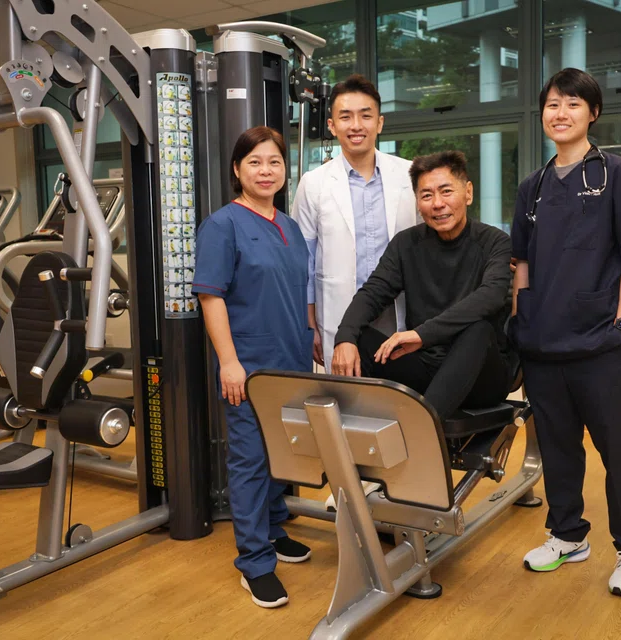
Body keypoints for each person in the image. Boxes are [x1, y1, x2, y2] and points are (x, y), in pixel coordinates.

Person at [509, 68, 621, 597]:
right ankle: (568, 534)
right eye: (552, 104)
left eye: (572, 104)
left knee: (620, 452)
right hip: (544, 346)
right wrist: (522, 323)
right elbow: (521, 264)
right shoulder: (532, 187)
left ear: (592, 113)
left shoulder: (618, 174)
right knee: (558, 450)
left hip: (602, 342)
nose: (560, 113)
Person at [193, 126, 313, 610]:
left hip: (292, 359)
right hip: (250, 365)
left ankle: (274, 529)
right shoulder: (222, 225)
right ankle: (255, 562)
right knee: (250, 460)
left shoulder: (289, 225)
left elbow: (295, 290)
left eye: (274, 162)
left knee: (283, 454)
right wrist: (228, 363)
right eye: (255, 163)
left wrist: (314, 335)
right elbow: (210, 295)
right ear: (237, 171)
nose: (266, 171)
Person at [332, 150, 513, 421]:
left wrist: (420, 335)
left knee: (478, 328)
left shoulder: (494, 241)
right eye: (427, 195)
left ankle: (421, 428)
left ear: (468, 192)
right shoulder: (406, 244)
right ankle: (355, 440)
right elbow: (373, 292)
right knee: (361, 338)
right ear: (418, 201)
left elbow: (491, 297)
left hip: (482, 376)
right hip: (426, 369)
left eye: (446, 191)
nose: (437, 203)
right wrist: (344, 338)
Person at [292, 74, 419, 371]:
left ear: (380, 123)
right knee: (347, 402)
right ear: (332, 126)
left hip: (397, 313)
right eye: (345, 117)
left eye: (366, 116)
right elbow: (305, 262)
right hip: (338, 312)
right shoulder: (314, 183)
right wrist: (309, 321)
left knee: (398, 401)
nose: (356, 125)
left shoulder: (409, 174)